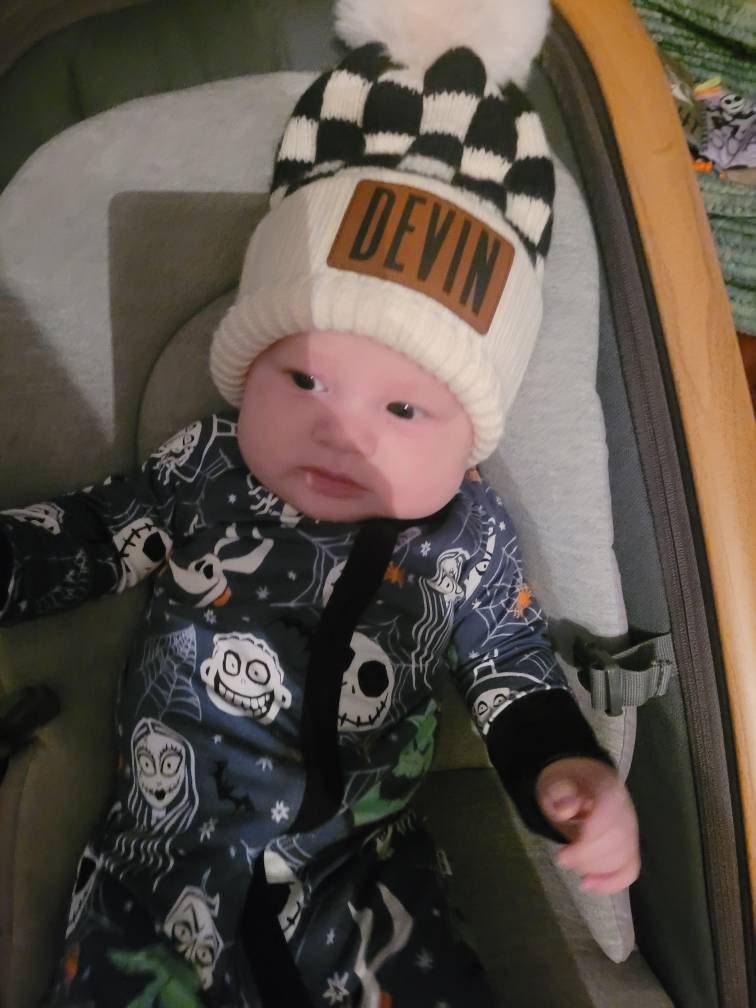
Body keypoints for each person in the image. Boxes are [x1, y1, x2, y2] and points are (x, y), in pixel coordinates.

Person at [0, 1, 640, 1005]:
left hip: (365, 884)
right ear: (246, 371)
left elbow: (513, 674)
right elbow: (90, 536)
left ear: (471, 437)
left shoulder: (467, 541)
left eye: (403, 408)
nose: (342, 430)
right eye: (302, 380)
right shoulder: (205, 469)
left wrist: (566, 770)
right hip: (157, 869)